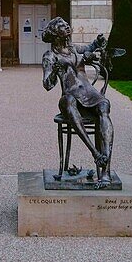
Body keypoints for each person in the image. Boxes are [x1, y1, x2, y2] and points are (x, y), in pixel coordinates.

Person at [41, 17, 115, 185]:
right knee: (68, 101)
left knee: (104, 105)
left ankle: (105, 171)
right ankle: (95, 153)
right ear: (55, 33)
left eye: (66, 24)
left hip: (89, 95)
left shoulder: (74, 49)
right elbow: (47, 84)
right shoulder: (50, 56)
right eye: (61, 25)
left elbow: (89, 48)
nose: (66, 26)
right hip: (70, 96)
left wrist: (97, 42)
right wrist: (54, 72)